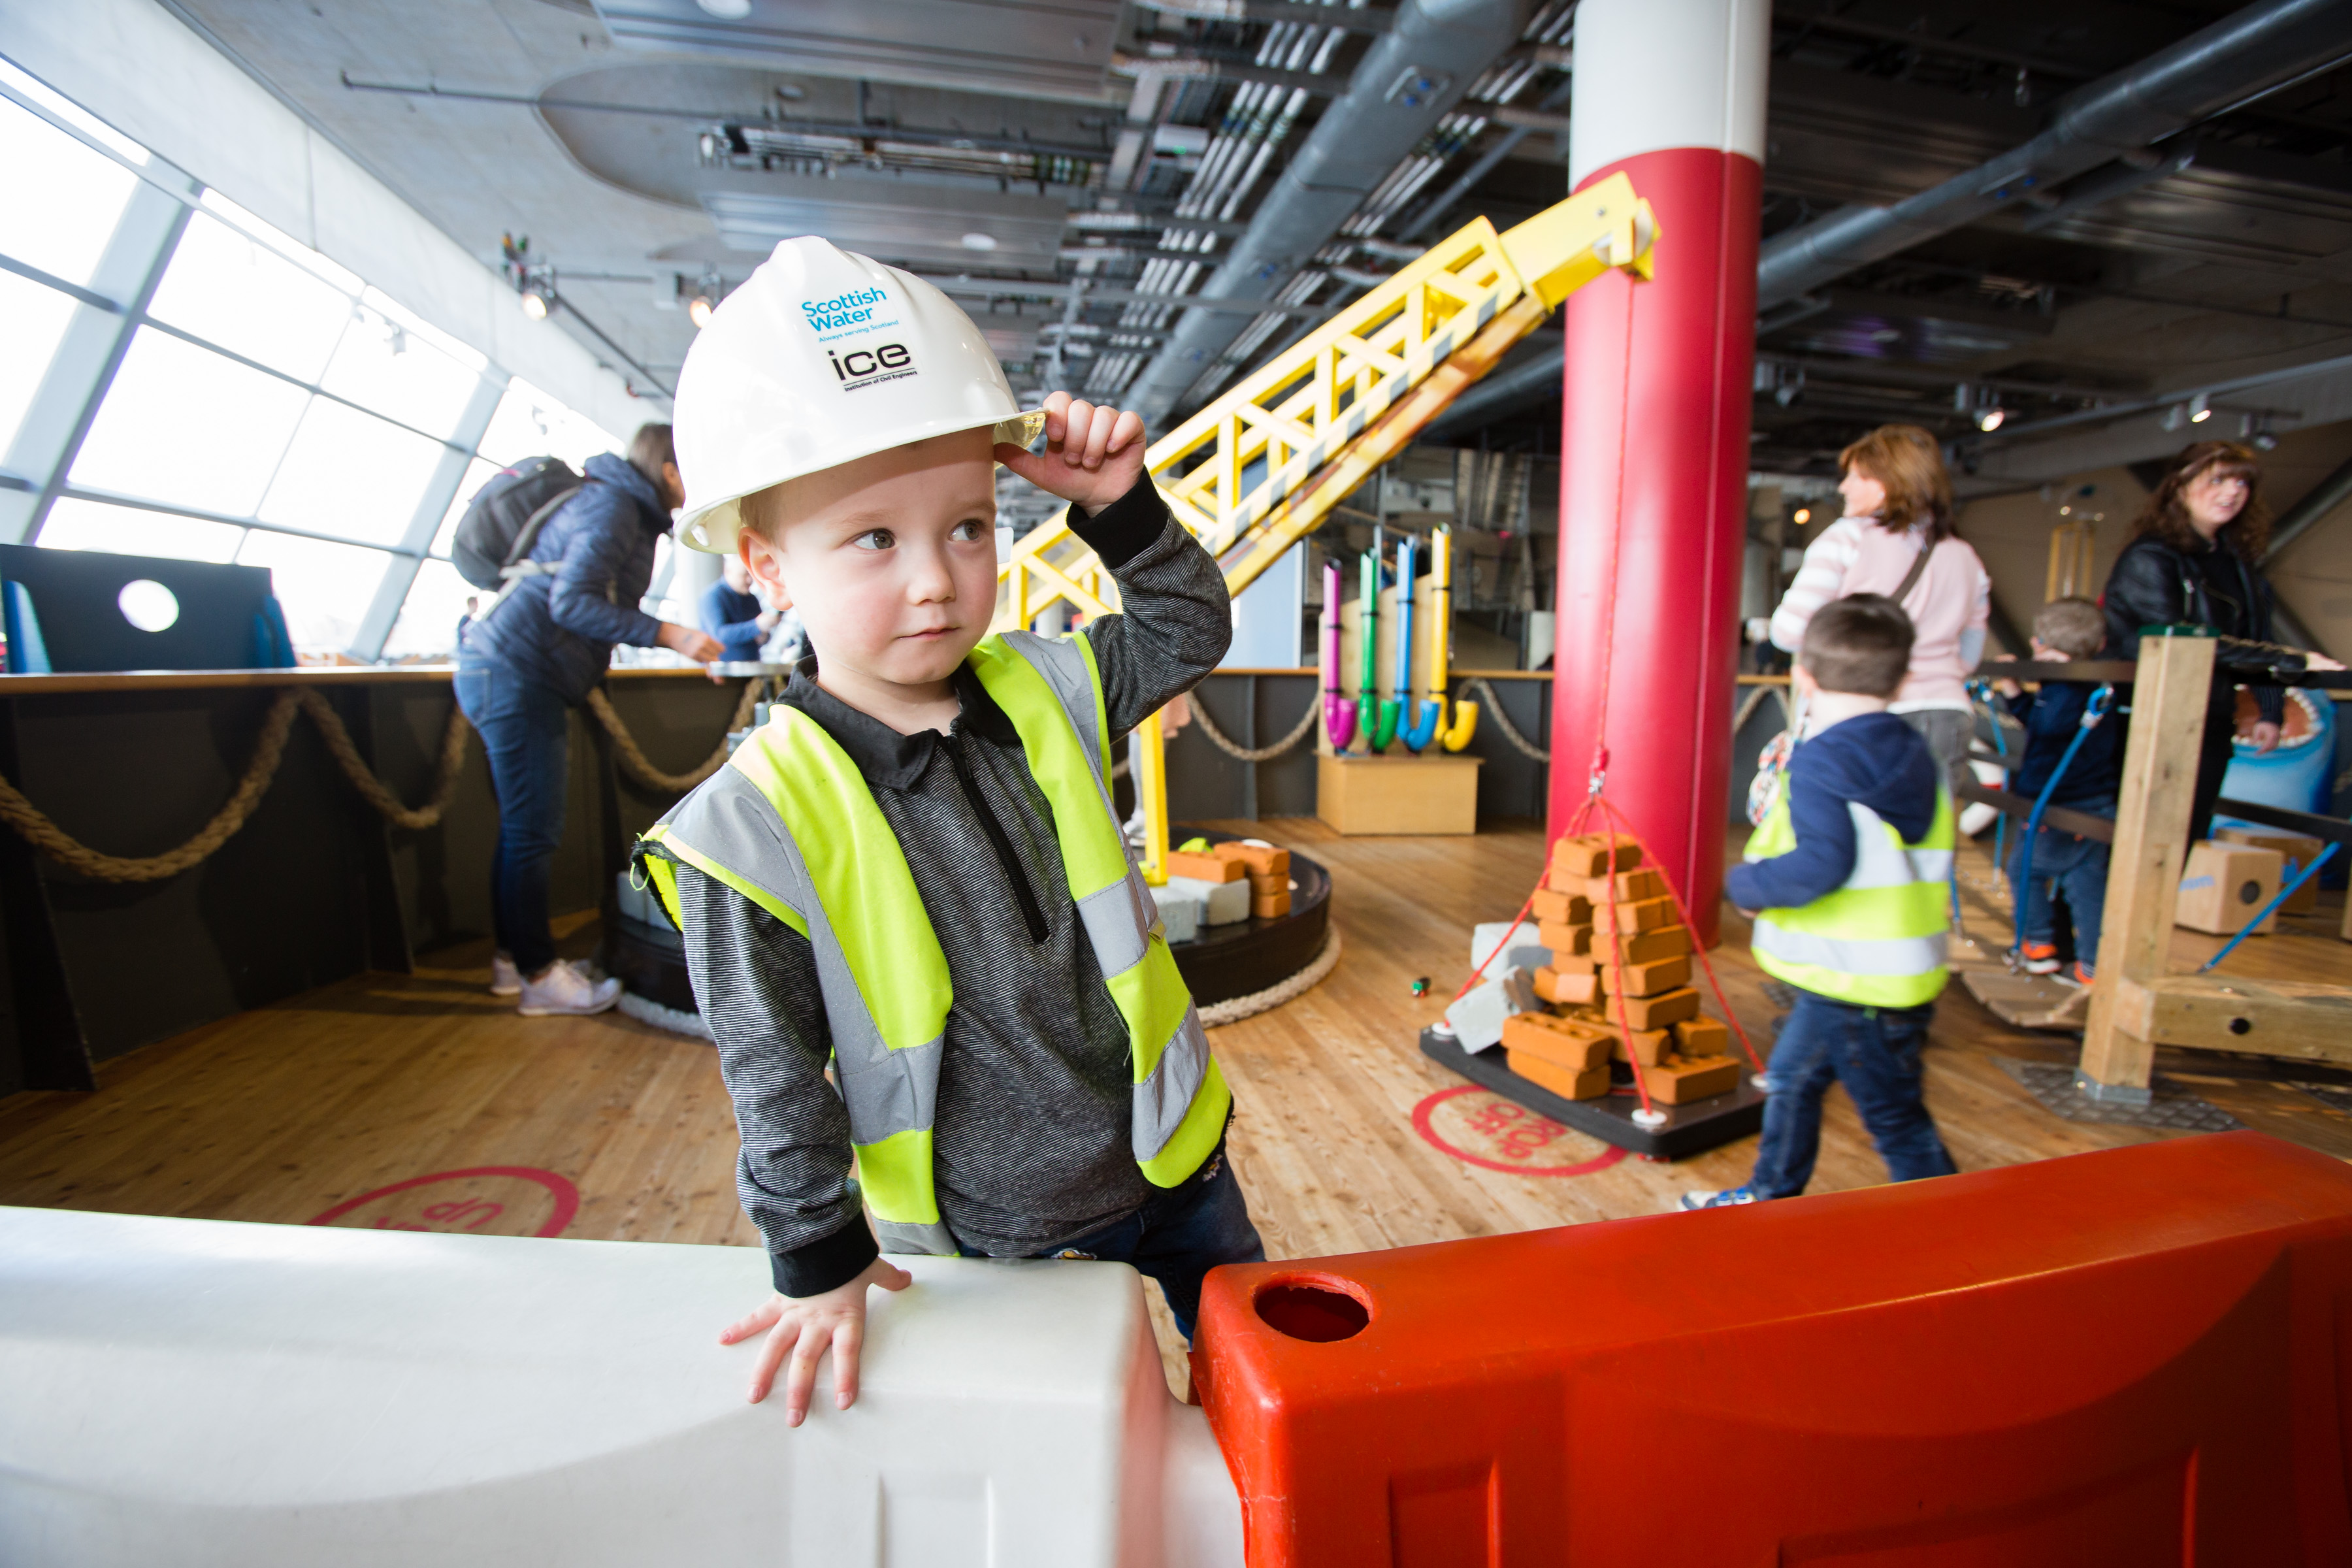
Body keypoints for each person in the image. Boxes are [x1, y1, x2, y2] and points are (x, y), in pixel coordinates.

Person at [634, 238, 1260, 1427]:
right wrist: (817, 1257)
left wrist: (1121, 511)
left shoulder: (1047, 687)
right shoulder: (752, 823)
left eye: (969, 527)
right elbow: (773, 1075)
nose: (938, 580)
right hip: (1002, 1235)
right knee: (1076, 1461)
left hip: (1181, 1164)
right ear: (766, 564)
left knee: (1260, 1405)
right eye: (876, 539)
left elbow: (1182, 633)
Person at [1682, 595, 1959, 1211]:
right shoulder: (1920, 754)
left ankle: (1961, 1240)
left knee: (1896, 1122)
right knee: (1790, 1081)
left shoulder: (1823, 761)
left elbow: (1822, 866)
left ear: (1803, 676)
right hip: (1872, 977)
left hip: (1861, 985)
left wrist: (1745, 887)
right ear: (1904, 676)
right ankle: (1769, 1195)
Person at [458, 423, 725, 1016]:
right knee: (533, 831)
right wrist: (668, 633)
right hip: (514, 673)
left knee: (523, 830)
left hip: (508, 670)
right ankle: (536, 974)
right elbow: (572, 603)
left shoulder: (617, 504)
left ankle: (514, 960)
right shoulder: (611, 506)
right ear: (670, 471)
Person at [2099, 440, 2343, 843]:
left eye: (2242, 484)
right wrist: (2295, 660)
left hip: (2209, 718)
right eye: (2218, 480)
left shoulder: (2238, 563)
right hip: (2147, 719)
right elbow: (2181, 643)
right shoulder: (2151, 556)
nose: (2232, 492)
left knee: (2184, 840)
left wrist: (2269, 710)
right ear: (2180, 486)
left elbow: (2256, 636)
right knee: (2137, 842)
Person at [1767, 425, 1991, 795]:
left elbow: (1789, 630)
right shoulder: (1967, 557)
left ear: (1885, 483)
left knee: (1847, 843)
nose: (1844, 487)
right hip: (1945, 712)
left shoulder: (1847, 538)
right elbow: (1969, 656)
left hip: (1859, 713)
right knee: (1925, 845)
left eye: (1856, 476)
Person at [1991, 598, 2122, 984]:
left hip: (2059, 800)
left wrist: (2029, 682)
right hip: (2097, 799)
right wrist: (2017, 691)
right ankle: (2093, 962)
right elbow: (2045, 722)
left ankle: (2038, 944)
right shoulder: (2099, 683)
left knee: (2024, 869)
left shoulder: (2063, 687)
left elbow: (2046, 727)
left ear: (2040, 643)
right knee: (2087, 884)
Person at [700, 552, 776, 662]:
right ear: (728, 572)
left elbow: (758, 637)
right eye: (744, 574)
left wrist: (764, 634)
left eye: (751, 575)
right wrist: (757, 626)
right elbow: (720, 634)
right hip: (723, 669)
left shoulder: (751, 598)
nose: (750, 580)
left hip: (751, 665)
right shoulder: (713, 596)